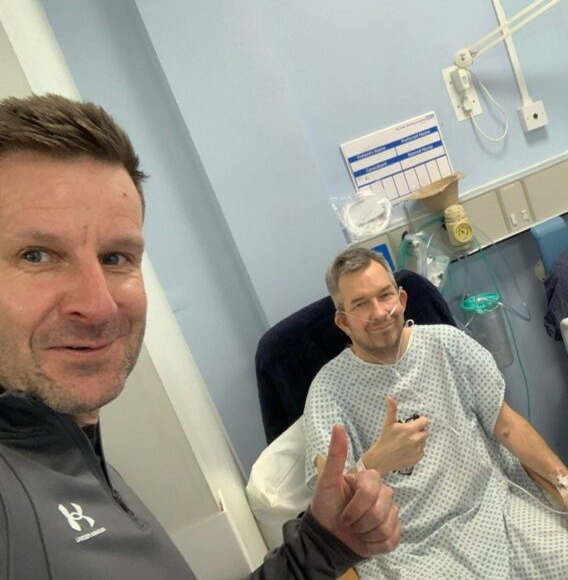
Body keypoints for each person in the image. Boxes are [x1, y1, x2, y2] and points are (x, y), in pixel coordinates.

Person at [0, 94, 399, 580]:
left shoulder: (66, 446)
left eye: (115, 258)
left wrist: (321, 546)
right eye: (36, 255)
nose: (100, 304)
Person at [301, 247, 568, 579]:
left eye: (385, 296)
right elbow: (332, 504)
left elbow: (508, 426)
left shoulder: (449, 345)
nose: (380, 311)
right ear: (343, 322)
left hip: (497, 509)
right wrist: (375, 464)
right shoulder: (329, 391)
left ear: (401, 298)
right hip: (412, 549)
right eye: (360, 304)